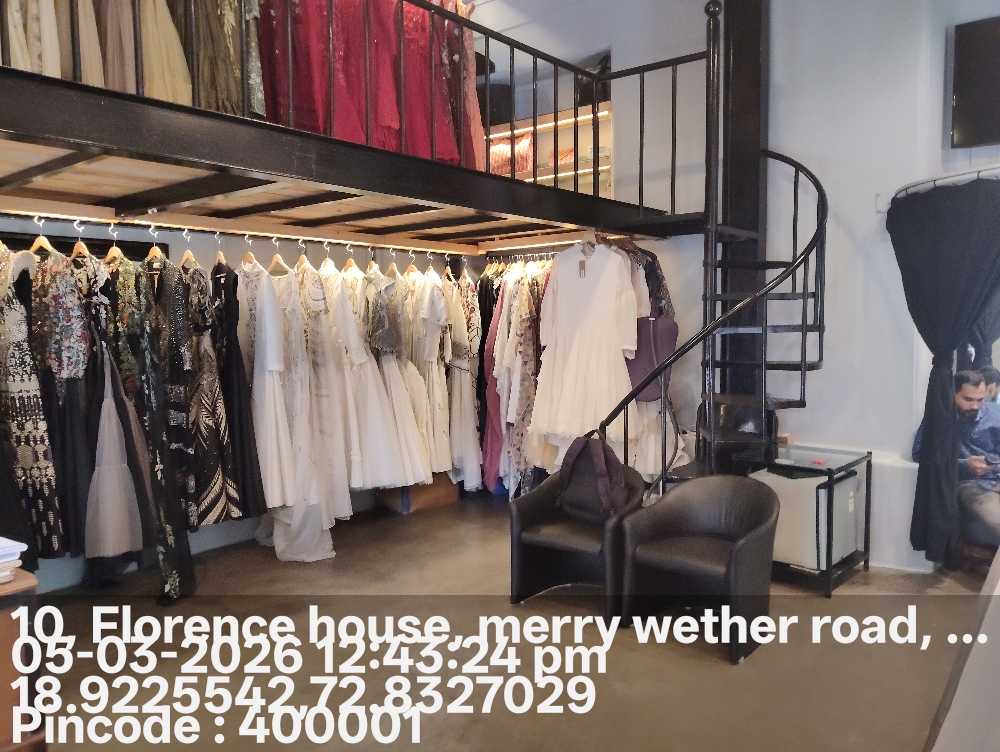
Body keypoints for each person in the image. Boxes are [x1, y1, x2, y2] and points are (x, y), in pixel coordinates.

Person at [913, 370, 1000, 552]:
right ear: (953, 394)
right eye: (968, 399)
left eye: (980, 400)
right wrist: (964, 464)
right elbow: (920, 454)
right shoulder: (940, 417)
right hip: (972, 483)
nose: (975, 406)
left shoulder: (994, 413)